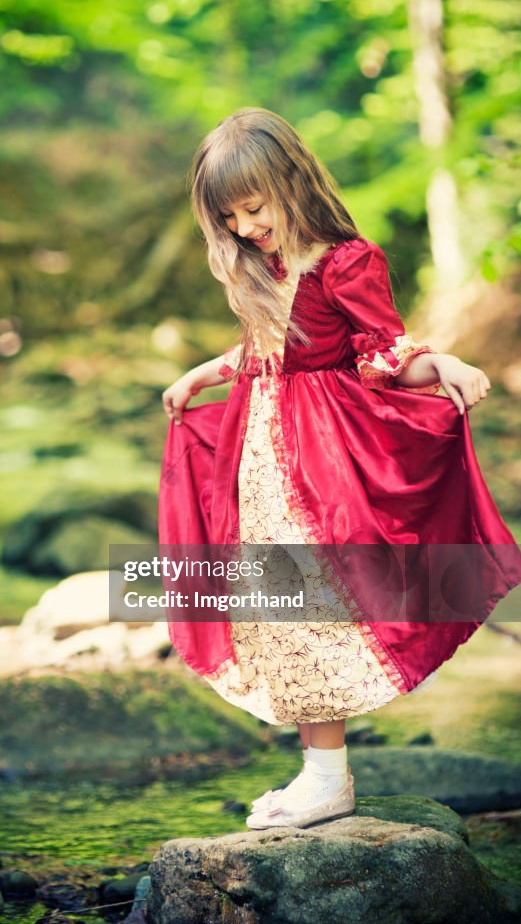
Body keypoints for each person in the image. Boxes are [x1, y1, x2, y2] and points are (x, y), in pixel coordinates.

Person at [158, 107, 521, 830]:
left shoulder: (345, 259)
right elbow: (274, 348)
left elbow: (380, 351)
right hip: (255, 457)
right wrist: (209, 372)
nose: (242, 226)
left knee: (317, 609)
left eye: (253, 207)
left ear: (289, 182)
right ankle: (320, 772)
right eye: (227, 216)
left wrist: (441, 361)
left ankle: (329, 779)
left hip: (318, 460)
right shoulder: (260, 264)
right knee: (277, 611)